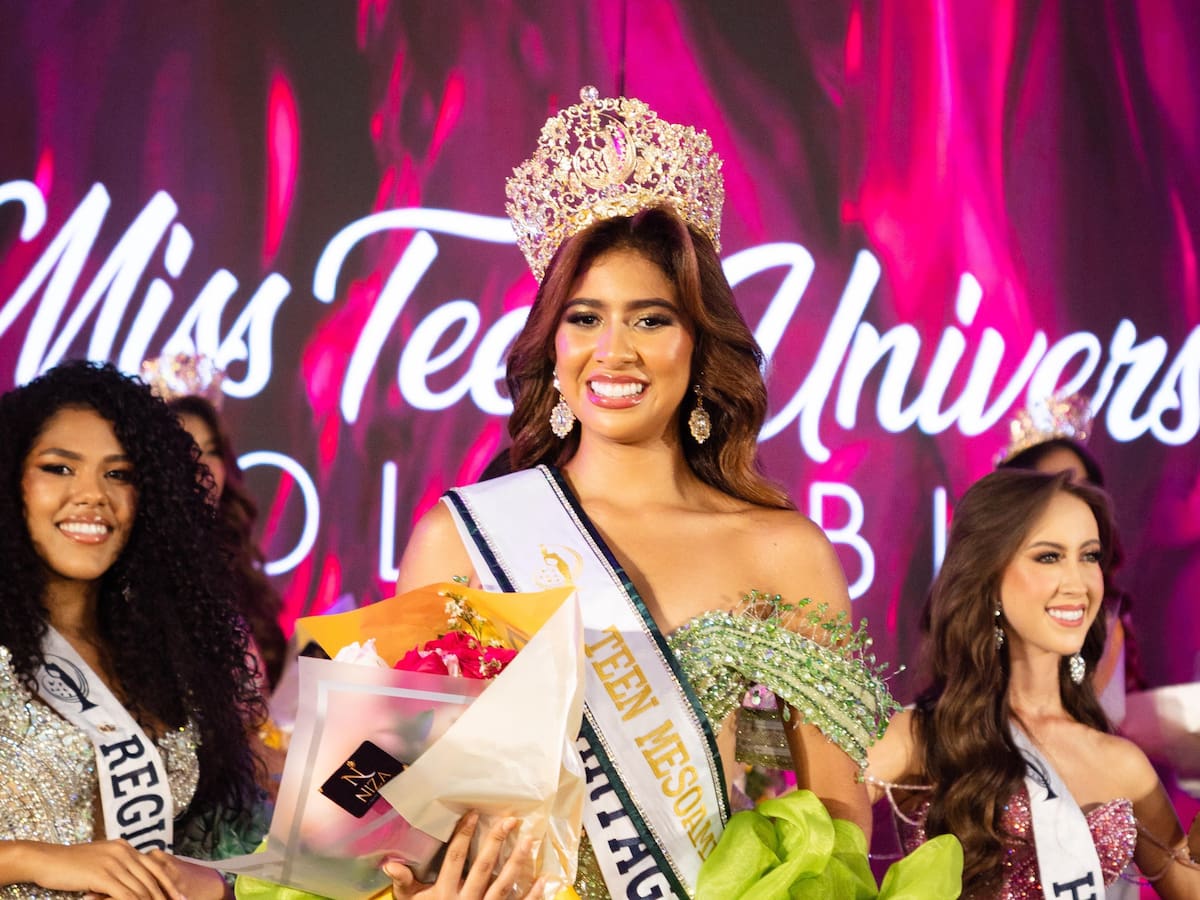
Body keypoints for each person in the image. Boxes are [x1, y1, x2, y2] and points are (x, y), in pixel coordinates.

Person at [393, 87, 896, 898]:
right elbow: (386, 787)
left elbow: (836, 817)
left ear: (699, 344)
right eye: (585, 318)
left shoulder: (782, 550)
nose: (614, 351)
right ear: (552, 343)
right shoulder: (465, 538)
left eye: (651, 320)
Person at [0, 360, 267, 899]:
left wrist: (215, 885)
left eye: (118, 474)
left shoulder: (168, 656)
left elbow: (218, 852)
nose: (92, 495)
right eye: (59, 467)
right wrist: (31, 859)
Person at [866, 469, 1200, 898]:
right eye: (1049, 557)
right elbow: (811, 838)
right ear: (989, 576)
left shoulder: (1123, 764)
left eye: (1090, 556)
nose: (1077, 583)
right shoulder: (921, 737)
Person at [140, 353, 288, 692]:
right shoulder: (138, 567)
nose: (202, 466)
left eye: (212, 451)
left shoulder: (230, 561)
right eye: (183, 450)